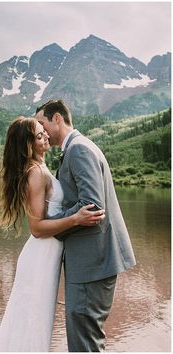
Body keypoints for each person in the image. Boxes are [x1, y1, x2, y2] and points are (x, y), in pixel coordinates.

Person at [0, 117, 106, 352]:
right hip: (40, 257)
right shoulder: (35, 174)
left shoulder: (41, 168)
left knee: (36, 320)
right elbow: (36, 228)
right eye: (39, 135)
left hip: (49, 254)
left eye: (44, 131)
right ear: (27, 144)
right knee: (32, 320)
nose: (46, 136)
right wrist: (76, 218)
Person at [35, 99, 136, 351]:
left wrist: (48, 225)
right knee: (87, 339)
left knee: (84, 344)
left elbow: (91, 206)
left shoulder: (79, 149)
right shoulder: (78, 147)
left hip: (92, 263)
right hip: (93, 262)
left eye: (41, 123)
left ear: (57, 118)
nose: (41, 131)